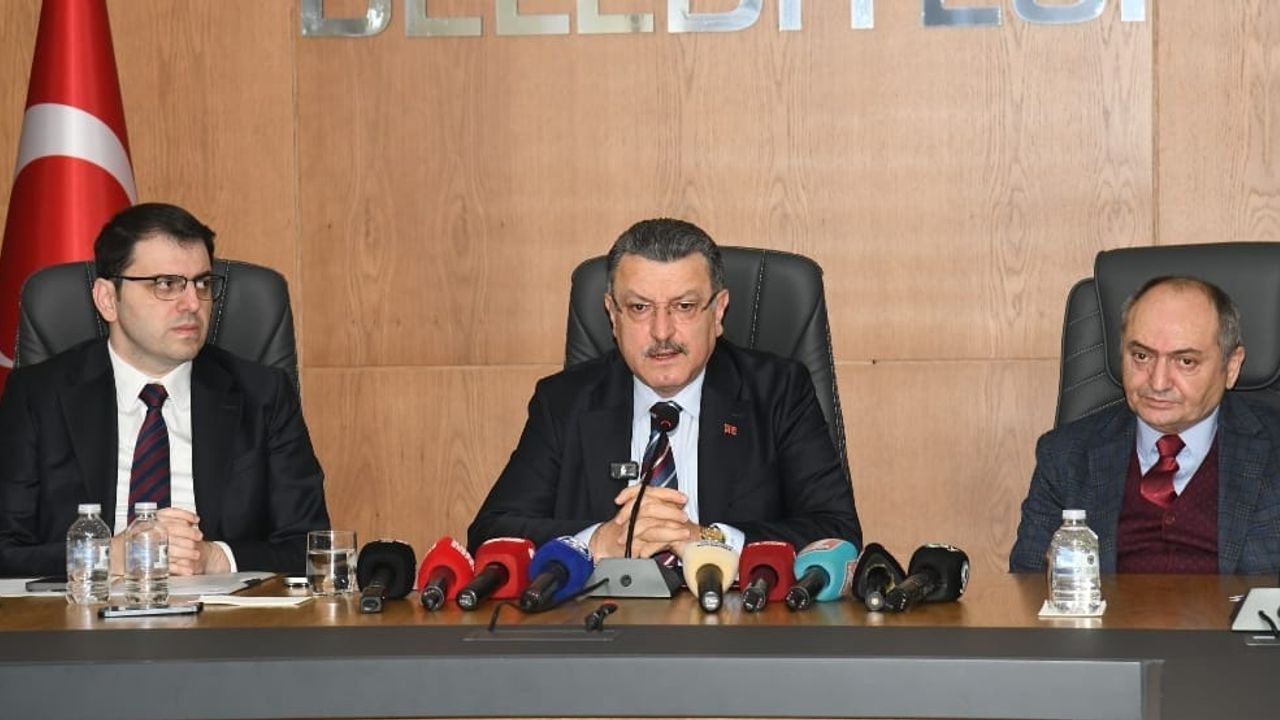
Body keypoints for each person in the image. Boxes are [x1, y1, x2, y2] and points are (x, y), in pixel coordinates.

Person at [468, 218, 860, 560]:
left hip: (738, 617)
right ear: (613, 314)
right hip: (602, 618)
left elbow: (837, 532)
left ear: (718, 311)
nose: (661, 332)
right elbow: (490, 534)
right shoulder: (564, 402)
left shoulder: (778, 392)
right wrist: (596, 541)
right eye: (640, 308)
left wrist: (709, 540)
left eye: (684, 306)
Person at [0, 202, 329, 577]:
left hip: (219, 611)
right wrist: (106, 556)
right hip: (86, 609)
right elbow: (5, 548)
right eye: (166, 284)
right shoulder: (38, 396)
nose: (192, 304)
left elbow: (310, 546)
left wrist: (213, 557)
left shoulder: (263, 394)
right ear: (108, 299)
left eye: (202, 283)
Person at [1011, 276, 1280, 574]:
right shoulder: (1065, 455)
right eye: (1141, 356)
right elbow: (1028, 582)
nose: (1158, 382)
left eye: (1185, 362)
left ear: (1231, 367)